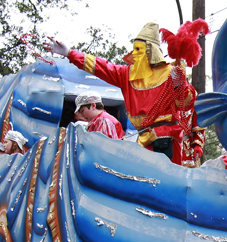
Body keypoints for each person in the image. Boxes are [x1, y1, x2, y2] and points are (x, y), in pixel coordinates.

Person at [46, 21, 207, 167]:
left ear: (150, 51)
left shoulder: (170, 73)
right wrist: (70, 54)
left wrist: (180, 87)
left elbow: (189, 106)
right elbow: (102, 67)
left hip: (168, 143)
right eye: (134, 48)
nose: (133, 53)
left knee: (166, 183)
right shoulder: (126, 75)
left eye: (138, 49)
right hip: (143, 142)